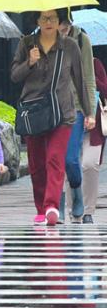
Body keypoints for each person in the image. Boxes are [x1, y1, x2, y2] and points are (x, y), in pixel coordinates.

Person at [11, 9, 94, 226]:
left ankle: (51, 206)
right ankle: (41, 208)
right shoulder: (26, 43)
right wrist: (29, 62)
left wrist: (89, 112)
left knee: (56, 159)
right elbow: (14, 76)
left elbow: (80, 80)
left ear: (60, 21)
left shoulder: (70, 46)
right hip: (34, 113)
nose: (49, 22)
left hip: (63, 112)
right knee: (37, 164)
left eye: (53, 18)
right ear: (37, 20)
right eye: (44, 18)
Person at [58, 11, 96, 223]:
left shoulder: (82, 40)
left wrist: (90, 111)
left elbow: (89, 78)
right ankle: (59, 205)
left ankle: (77, 193)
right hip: (52, 108)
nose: (60, 28)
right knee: (54, 159)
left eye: (63, 23)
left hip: (76, 107)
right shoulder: (42, 40)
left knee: (71, 159)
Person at [67, 56, 107, 224]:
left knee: (90, 165)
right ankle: (74, 211)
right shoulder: (62, 64)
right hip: (69, 122)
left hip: (93, 127)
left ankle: (88, 211)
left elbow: (105, 89)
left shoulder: (94, 63)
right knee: (70, 165)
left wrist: (88, 77)